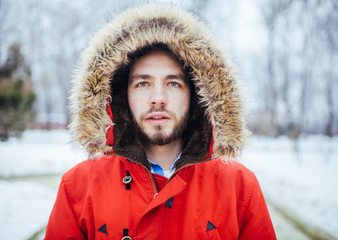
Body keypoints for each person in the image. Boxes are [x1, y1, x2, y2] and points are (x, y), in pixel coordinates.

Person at [45, 4, 277, 240]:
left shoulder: (239, 187)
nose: (158, 99)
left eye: (173, 83)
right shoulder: (78, 188)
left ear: (197, 95)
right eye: (142, 84)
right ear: (121, 95)